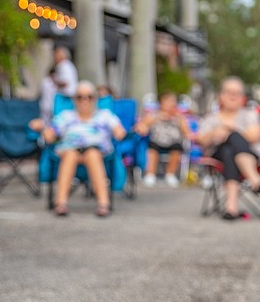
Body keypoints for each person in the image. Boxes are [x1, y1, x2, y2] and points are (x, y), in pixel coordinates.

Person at [29, 80, 126, 217]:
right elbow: (50, 136)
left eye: (89, 97)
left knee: (92, 153)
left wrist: (122, 131)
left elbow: (120, 132)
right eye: (79, 97)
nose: (84, 101)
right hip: (70, 150)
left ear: (95, 99)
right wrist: (42, 127)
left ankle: (103, 203)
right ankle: (61, 203)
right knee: (70, 154)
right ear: (74, 99)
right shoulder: (65, 116)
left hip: (98, 152)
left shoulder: (105, 115)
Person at [197, 76, 260, 221]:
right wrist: (215, 133)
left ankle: (231, 208)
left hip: (249, 153)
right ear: (221, 95)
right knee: (228, 145)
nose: (233, 96)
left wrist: (230, 129)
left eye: (237, 93)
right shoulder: (211, 117)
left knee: (231, 146)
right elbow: (201, 140)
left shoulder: (249, 114)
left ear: (242, 97)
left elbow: (255, 136)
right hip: (218, 156)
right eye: (229, 92)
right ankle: (255, 181)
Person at [134, 91, 192, 187]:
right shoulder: (154, 115)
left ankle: (170, 174)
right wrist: (149, 124)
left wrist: (179, 119)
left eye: (173, 102)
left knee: (177, 149)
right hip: (156, 141)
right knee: (152, 149)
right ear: (162, 103)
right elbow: (141, 126)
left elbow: (186, 132)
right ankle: (150, 174)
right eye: (168, 102)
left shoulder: (179, 117)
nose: (171, 104)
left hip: (173, 142)